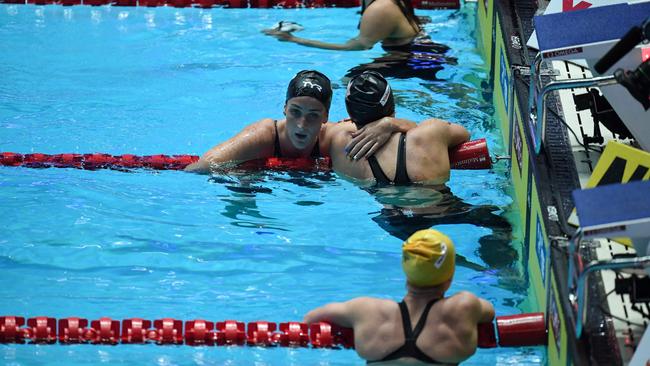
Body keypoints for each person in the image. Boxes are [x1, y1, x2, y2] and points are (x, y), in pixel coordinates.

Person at [304, 229, 495, 364]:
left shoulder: (366, 310)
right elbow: (489, 313)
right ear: (450, 274)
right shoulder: (463, 307)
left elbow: (310, 320)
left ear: (406, 269)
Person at [185, 70, 413, 174]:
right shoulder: (262, 136)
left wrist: (389, 125)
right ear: (284, 109)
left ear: (326, 117)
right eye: (295, 112)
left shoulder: (334, 137)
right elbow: (203, 165)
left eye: (313, 115)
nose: (302, 124)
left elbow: (419, 134)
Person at [329, 71, 470, 185]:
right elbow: (465, 135)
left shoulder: (339, 145)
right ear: (392, 106)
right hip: (446, 213)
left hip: (388, 218)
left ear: (349, 114)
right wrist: (393, 123)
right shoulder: (430, 133)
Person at [263, 0, 421, 51]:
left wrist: (295, 40)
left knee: (348, 83)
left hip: (416, 59)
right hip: (409, 51)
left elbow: (357, 46)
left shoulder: (380, 7)